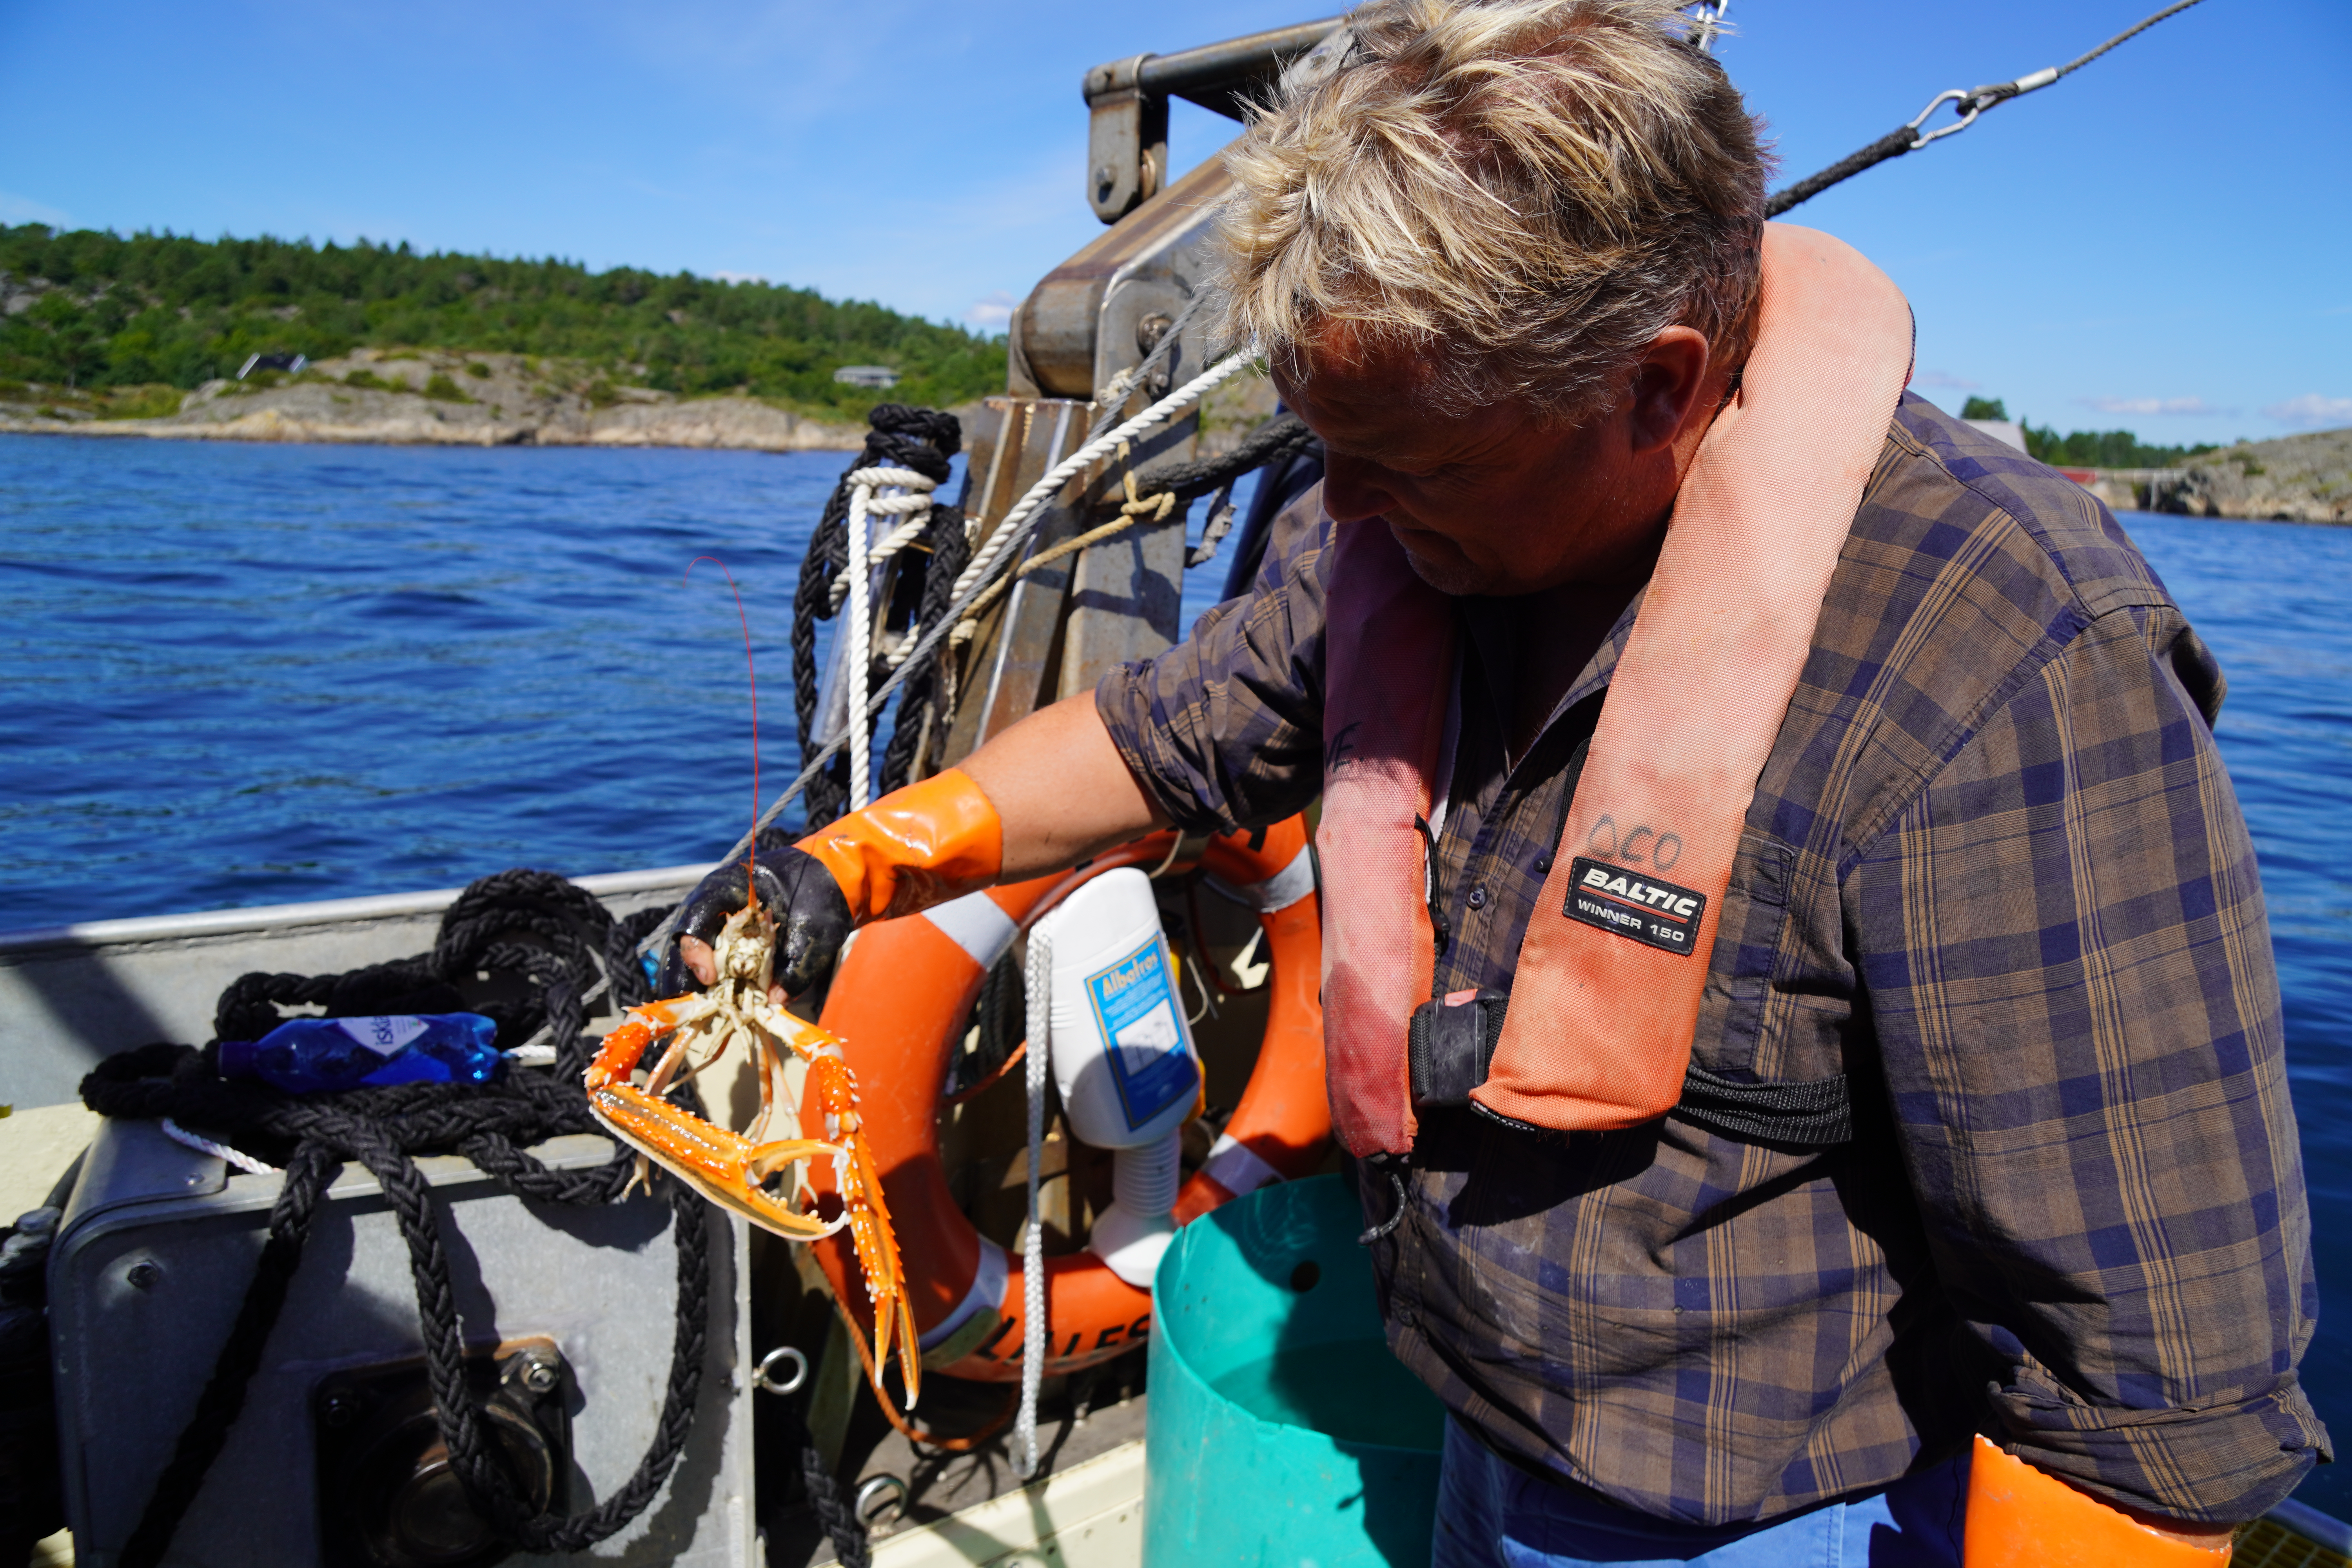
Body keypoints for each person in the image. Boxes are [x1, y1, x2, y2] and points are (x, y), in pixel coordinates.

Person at [677, 1, 2325, 1560]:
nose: (1346, 513)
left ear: (1656, 385)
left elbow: (2152, 1375)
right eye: (1331, 455)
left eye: (1417, 463)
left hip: (1773, 1510)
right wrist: (853, 862)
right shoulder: (1403, 529)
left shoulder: (2007, 657)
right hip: (1473, 1414)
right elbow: (1165, 732)